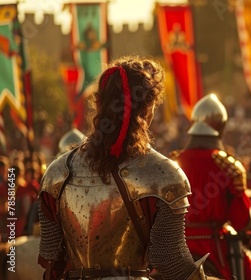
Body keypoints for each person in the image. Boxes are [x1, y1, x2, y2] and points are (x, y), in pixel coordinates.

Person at [38, 56, 210, 280]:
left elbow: (53, 262)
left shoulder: (57, 173)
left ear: (98, 104)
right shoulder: (163, 175)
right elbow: (171, 261)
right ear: (148, 109)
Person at [171, 94, 251, 280]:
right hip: (215, 250)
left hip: (172, 250)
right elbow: (241, 220)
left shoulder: (172, 163)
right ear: (221, 127)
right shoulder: (228, 167)